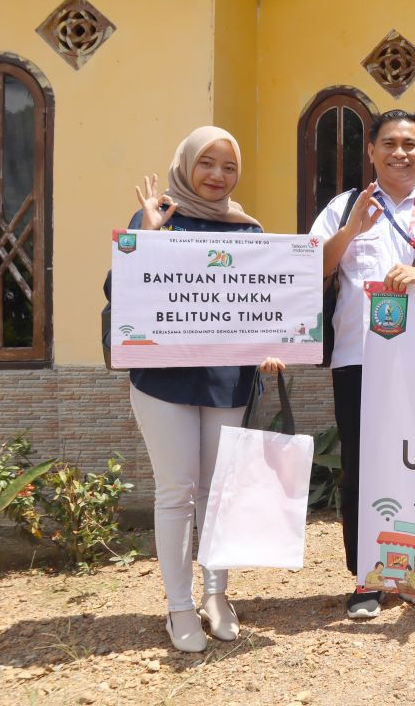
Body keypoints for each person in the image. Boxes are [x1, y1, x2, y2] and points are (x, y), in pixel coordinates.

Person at [110, 126, 285, 653]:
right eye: (207, 163)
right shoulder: (157, 218)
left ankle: (216, 596)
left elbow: (267, 302)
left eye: (229, 167)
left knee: (217, 494)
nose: (217, 175)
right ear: (187, 164)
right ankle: (178, 607)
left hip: (227, 380)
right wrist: (148, 233)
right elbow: (122, 294)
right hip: (164, 381)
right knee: (176, 492)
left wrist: (276, 344)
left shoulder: (248, 231)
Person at [311, 109, 415, 619]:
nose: (399, 152)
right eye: (388, 143)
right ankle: (366, 579)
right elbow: (310, 269)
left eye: (410, 144)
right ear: (371, 152)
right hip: (358, 361)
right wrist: (350, 232)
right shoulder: (344, 208)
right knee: (361, 470)